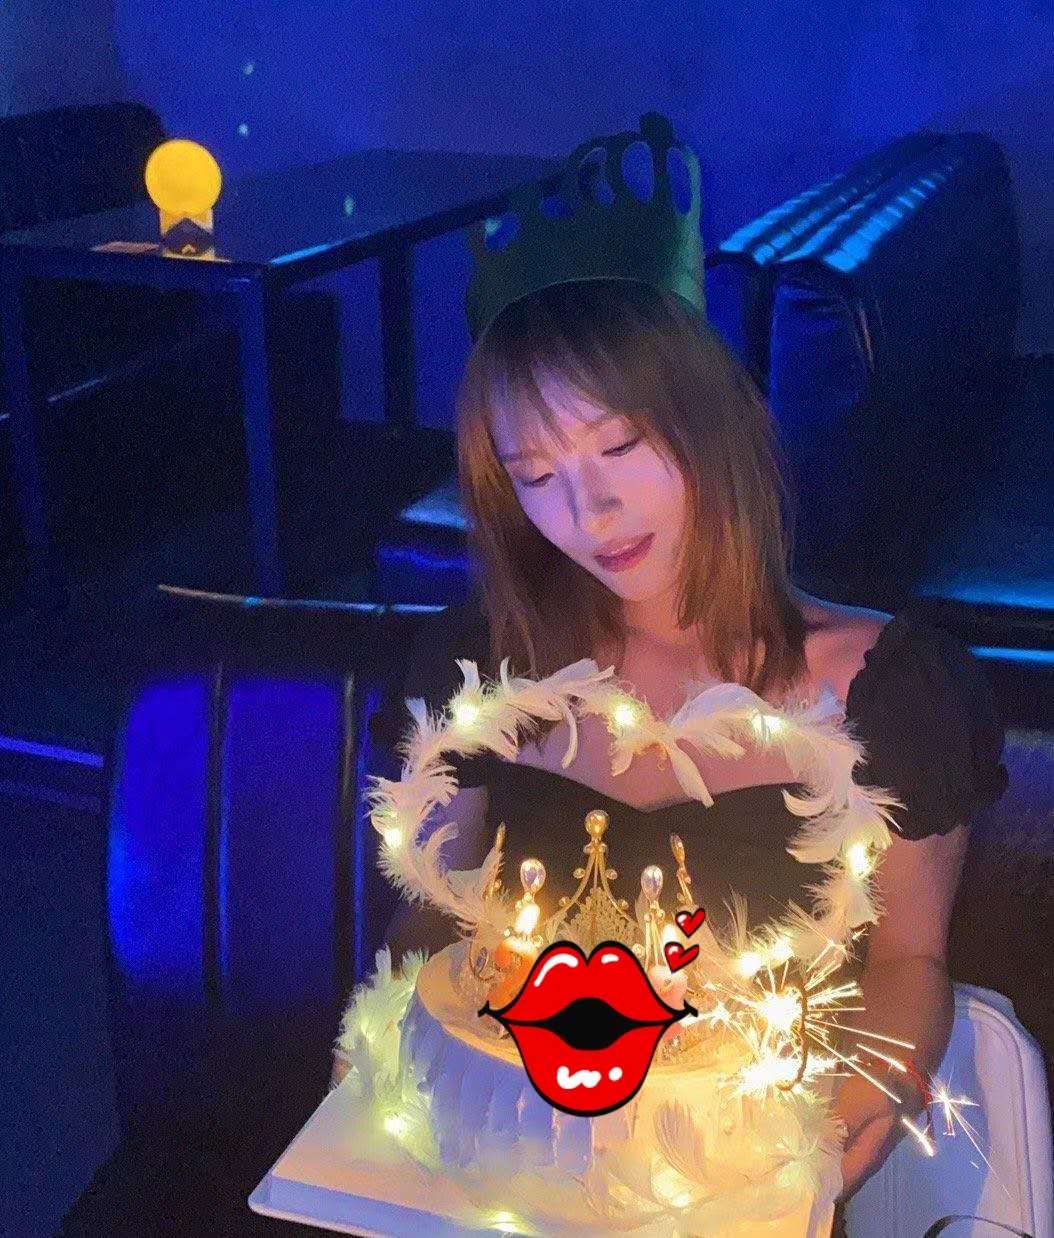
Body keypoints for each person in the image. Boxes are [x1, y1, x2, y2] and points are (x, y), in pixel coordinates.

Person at [333, 115, 1009, 1214]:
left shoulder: (889, 690)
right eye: (534, 473)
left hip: (746, 1175)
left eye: (619, 445)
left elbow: (906, 960)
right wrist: (386, 1048)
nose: (588, 510)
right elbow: (433, 923)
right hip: (508, 1165)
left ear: (714, 423)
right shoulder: (479, 665)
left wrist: (838, 1135)